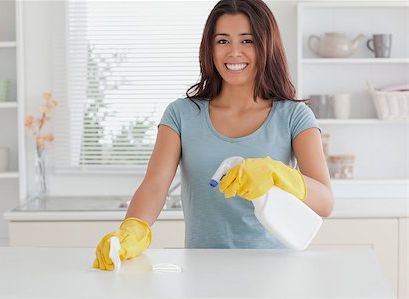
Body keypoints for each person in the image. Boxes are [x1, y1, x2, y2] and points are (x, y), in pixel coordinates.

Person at [93, 0, 334, 271]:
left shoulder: (294, 116)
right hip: (201, 271)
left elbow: (325, 201)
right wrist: (132, 230)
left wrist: (277, 173)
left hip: (274, 271)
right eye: (222, 41)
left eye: (247, 41)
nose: (233, 52)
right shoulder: (181, 114)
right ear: (209, 47)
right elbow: (154, 187)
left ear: (267, 45)